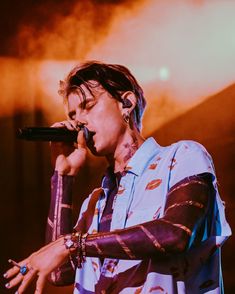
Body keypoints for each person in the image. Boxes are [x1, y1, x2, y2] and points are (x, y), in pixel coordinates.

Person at [4, 61, 231, 293]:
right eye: (73, 114)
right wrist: (64, 175)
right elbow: (58, 272)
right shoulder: (94, 204)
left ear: (127, 103)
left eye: (88, 106)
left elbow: (176, 234)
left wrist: (74, 244)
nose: (78, 121)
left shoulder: (182, 157)